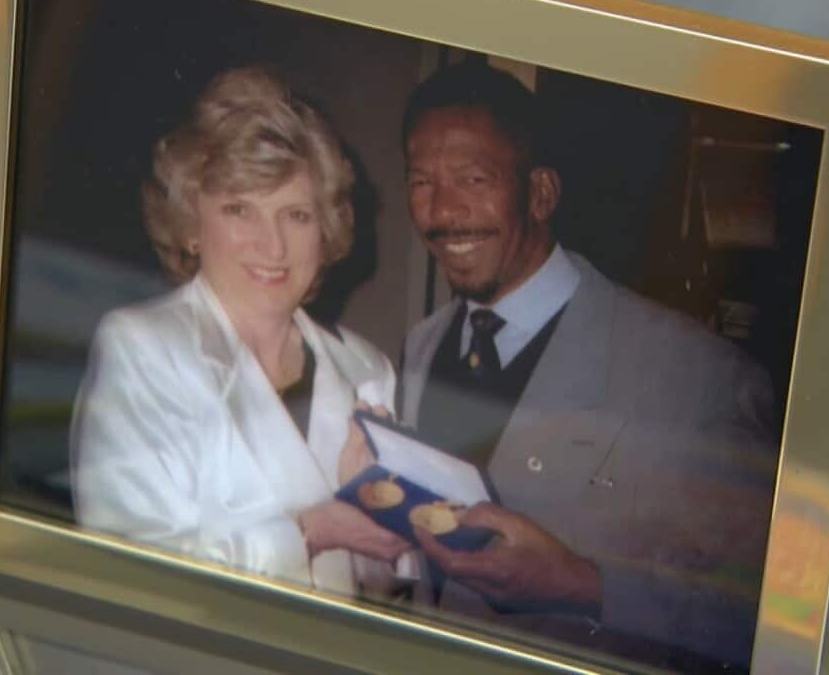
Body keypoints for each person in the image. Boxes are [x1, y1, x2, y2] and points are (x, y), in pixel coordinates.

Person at [396, 61, 779, 669]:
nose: (442, 212)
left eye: (474, 178)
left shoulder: (698, 377)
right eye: (421, 182)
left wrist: (585, 587)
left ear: (541, 193)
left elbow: (774, 617)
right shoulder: (419, 346)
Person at [71, 67, 409, 598]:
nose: (272, 247)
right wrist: (308, 531)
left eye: (296, 215)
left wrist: (366, 500)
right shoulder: (143, 348)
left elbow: (382, 584)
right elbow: (129, 574)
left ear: (326, 227)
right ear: (190, 225)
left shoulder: (368, 369)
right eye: (240, 210)